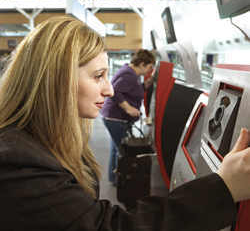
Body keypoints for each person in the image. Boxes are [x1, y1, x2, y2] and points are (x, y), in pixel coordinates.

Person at [0, 15, 250, 231]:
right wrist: (223, 187)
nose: (108, 89)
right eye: (98, 76)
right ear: (56, 81)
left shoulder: (43, 142)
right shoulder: (17, 162)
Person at [101, 49, 155, 185]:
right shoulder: (129, 74)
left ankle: (115, 178)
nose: (149, 70)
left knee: (116, 148)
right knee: (122, 150)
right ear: (142, 64)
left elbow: (130, 90)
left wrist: (144, 86)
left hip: (114, 117)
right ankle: (120, 179)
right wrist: (128, 108)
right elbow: (115, 91)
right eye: (149, 67)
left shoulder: (131, 74)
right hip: (116, 118)